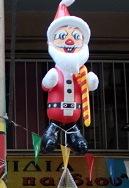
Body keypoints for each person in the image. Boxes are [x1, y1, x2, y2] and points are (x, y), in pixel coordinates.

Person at [40, 0, 98, 155]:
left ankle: (74, 141)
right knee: (49, 142)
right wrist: (49, 80)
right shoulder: (56, 72)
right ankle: (50, 139)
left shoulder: (81, 72)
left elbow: (88, 87)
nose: (70, 41)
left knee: (81, 146)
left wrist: (91, 81)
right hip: (56, 115)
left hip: (74, 117)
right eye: (63, 36)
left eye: (75, 36)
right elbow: (45, 86)